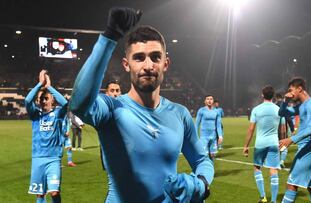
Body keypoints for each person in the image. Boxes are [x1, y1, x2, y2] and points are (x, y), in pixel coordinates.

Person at [70, 7, 213, 203]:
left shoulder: (180, 114)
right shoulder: (111, 109)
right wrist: (109, 37)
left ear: (166, 64)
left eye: (155, 57)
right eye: (138, 57)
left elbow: (201, 160)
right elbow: (79, 104)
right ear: (126, 64)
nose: (148, 65)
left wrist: (202, 183)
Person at [279, 77, 311, 203]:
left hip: (309, 150)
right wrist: (285, 101)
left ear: (299, 89)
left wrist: (291, 139)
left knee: (291, 185)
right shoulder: (301, 106)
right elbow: (282, 113)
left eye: (291, 90)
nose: (290, 93)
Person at [25, 70, 67, 203]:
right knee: (40, 194)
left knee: (54, 192)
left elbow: (65, 103)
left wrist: (48, 86)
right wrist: (39, 84)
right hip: (38, 158)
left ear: (52, 100)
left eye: (46, 98)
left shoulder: (58, 114)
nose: (43, 101)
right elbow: (27, 100)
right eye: (41, 99)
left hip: (53, 159)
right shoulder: (35, 115)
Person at [243, 85, 285, 203]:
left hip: (260, 143)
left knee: (257, 167)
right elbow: (282, 129)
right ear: (273, 96)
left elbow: (251, 129)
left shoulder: (256, 109)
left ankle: (263, 197)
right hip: (273, 143)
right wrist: (283, 143)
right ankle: (274, 200)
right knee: (273, 169)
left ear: (262, 95)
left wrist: (246, 146)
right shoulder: (278, 109)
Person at [196, 95, 223, 160]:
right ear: (205, 101)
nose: (209, 100)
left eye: (211, 99)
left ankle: (211, 170)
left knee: (213, 156)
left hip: (213, 137)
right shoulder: (201, 110)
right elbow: (196, 124)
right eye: (207, 99)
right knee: (204, 156)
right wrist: (196, 136)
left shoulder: (217, 111)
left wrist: (220, 136)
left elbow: (218, 125)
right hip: (204, 137)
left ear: (213, 101)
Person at [275, 93, 295, 168]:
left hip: (275, 127)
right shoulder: (285, 106)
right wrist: (292, 129)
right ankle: (282, 161)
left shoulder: (274, 105)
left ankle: (275, 161)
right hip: (284, 127)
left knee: (275, 144)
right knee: (284, 144)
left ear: (276, 98)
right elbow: (289, 118)